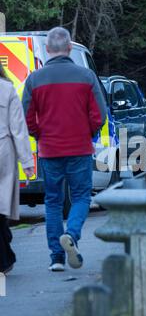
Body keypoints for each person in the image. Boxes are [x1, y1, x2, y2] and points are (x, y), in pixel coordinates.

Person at [22, 27, 107, 272]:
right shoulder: (87, 76)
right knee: (81, 196)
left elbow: (27, 118)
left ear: (47, 50)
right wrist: (87, 133)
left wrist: (40, 135)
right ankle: (71, 234)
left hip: (49, 150)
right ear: (70, 48)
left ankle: (56, 258)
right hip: (79, 148)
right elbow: (99, 115)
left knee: (53, 202)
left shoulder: (34, 79)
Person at [0, 63, 35, 273]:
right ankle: (5, 257)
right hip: (3, 149)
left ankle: (6, 255)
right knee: (2, 203)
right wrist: (27, 162)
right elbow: (18, 129)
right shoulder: (6, 89)